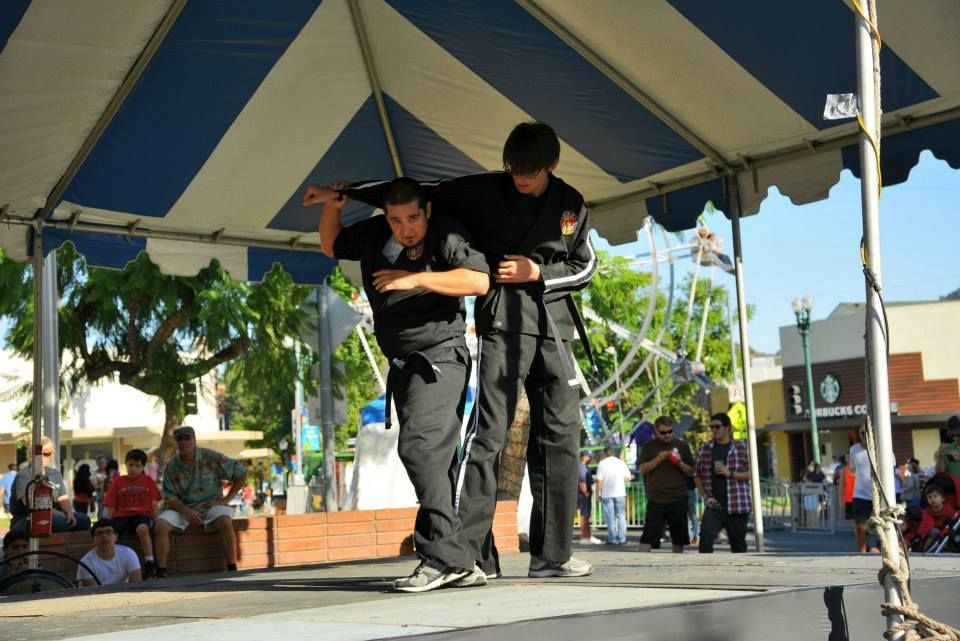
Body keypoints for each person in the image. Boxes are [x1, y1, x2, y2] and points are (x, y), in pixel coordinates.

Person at [318, 121, 597, 579]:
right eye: (513, 170)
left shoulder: (572, 204)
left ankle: (552, 555)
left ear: (551, 165)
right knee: (488, 433)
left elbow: (585, 266)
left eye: (529, 172)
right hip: (502, 321)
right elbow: (420, 192)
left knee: (561, 437)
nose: (520, 178)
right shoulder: (486, 191)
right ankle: (469, 555)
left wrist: (536, 273)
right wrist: (346, 191)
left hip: (555, 327)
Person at [306, 177, 489, 592]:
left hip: (440, 358)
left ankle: (448, 559)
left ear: (427, 211)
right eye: (396, 220)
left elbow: (478, 281)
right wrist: (333, 206)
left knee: (418, 448)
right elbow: (332, 246)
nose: (406, 228)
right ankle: (455, 559)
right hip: (403, 365)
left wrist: (415, 278)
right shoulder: (374, 234)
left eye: (412, 218)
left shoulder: (445, 234)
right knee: (432, 461)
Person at [153, 426, 247, 579]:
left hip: (211, 506)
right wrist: (186, 512)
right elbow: (170, 497)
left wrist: (227, 499)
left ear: (194, 439)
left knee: (225, 521)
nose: (184, 442)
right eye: (180, 439)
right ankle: (161, 571)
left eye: (187, 438)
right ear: (176, 442)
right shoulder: (172, 466)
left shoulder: (211, 457)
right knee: (160, 525)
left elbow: (241, 472)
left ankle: (232, 567)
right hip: (182, 509)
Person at [694, 413, 751, 553]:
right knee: (705, 538)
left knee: (738, 546)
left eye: (717, 426)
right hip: (715, 504)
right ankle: (706, 566)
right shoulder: (706, 447)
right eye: (712, 427)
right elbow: (696, 474)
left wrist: (730, 473)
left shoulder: (740, 447)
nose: (714, 430)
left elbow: (752, 474)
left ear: (728, 428)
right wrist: (705, 496)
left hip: (737, 504)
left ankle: (741, 567)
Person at [9, 436, 91, 533]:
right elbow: (32, 504)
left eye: (46, 453)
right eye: (38, 454)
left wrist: (69, 513)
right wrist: (61, 515)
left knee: (84, 520)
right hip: (26, 517)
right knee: (59, 523)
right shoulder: (24, 474)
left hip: (54, 514)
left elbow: (63, 498)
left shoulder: (54, 473)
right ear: (31, 454)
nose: (42, 457)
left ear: (51, 455)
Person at [637, 416, 695, 553]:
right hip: (656, 499)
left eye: (670, 431)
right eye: (663, 433)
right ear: (656, 432)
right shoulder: (649, 447)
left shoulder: (682, 446)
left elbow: (691, 471)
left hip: (678, 498)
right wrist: (658, 459)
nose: (667, 435)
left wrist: (679, 462)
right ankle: (640, 562)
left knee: (678, 539)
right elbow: (642, 469)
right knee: (647, 538)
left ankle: (677, 563)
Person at [102, 448, 162, 578]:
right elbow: (111, 504)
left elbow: (154, 503)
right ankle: (110, 562)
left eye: (137, 466)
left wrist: (156, 519)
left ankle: (149, 561)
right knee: (112, 534)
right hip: (121, 516)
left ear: (143, 467)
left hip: (142, 515)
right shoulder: (118, 482)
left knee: (143, 529)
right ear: (126, 465)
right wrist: (108, 521)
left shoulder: (148, 481)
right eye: (131, 465)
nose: (133, 468)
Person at [77, 519, 142, 587]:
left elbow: (136, 585)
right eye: (99, 533)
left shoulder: (128, 554)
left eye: (108, 532)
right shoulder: (86, 563)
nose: (104, 536)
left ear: (116, 537)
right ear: (93, 540)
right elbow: (94, 591)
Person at [594, 447, 633, 545]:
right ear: (613, 453)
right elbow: (628, 477)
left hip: (607, 494)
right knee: (621, 516)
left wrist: (597, 494)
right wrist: (619, 479)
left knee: (609, 517)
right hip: (620, 493)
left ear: (605, 454)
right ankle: (622, 538)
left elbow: (598, 480)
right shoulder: (621, 463)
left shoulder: (602, 463)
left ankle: (612, 539)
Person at [848, 429, 873, 553]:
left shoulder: (882, 446)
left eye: (867, 432)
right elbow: (852, 470)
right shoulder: (854, 449)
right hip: (860, 494)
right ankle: (862, 553)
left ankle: (881, 549)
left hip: (879, 495)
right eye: (862, 433)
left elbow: (892, 465)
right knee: (860, 527)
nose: (864, 435)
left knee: (883, 527)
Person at [917, 483, 956, 552]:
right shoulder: (927, 510)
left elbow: (953, 521)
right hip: (928, 529)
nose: (932, 499)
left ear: (942, 498)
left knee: (934, 531)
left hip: (942, 530)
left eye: (935, 496)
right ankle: (917, 547)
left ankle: (924, 550)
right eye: (929, 497)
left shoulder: (948, 510)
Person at [577, 451, 601, 545]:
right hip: (583, 495)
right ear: (584, 457)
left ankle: (588, 536)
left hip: (584, 494)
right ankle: (584, 537)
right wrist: (586, 492)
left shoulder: (584, 466)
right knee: (584, 516)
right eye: (588, 456)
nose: (590, 458)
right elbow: (582, 481)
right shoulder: (582, 467)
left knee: (586, 515)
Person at [934, 415, 960, 479]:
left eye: (958, 434)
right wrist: (940, 456)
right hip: (954, 485)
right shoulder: (948, 449)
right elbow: (939, 473)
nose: (955, 438)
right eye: (952, 435)